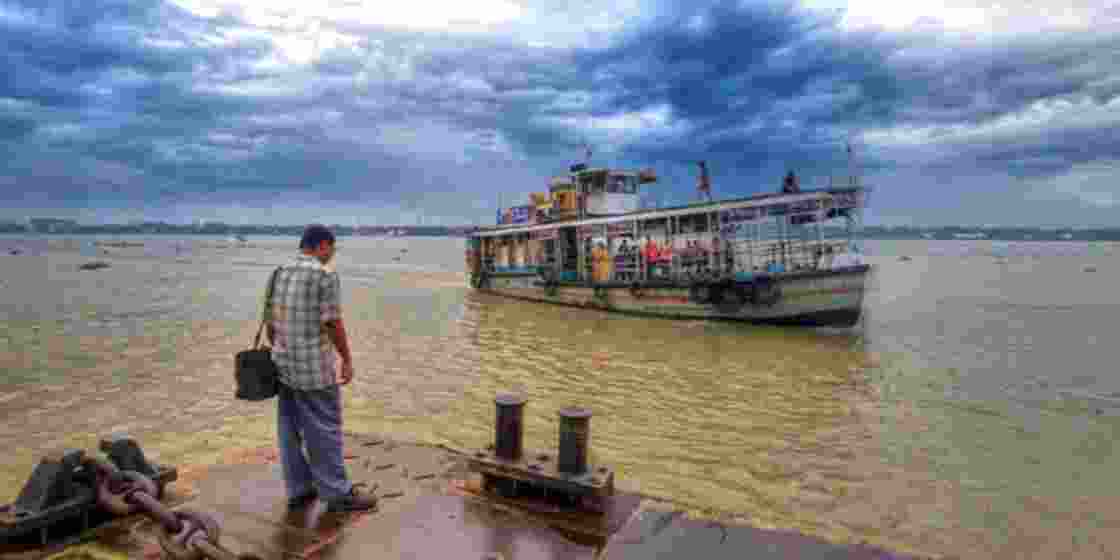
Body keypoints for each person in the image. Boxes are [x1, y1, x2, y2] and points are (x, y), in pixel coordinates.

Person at [266, 225, 378, 513]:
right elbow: (332, 322)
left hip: (282, 363)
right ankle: (338, 494)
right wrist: (347, 358)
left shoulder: (279, 271)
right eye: (332, 248)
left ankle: (299, 490)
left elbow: (270, 320)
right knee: (325, 429)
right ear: (322, 245)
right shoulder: (324, 274)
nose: (332, 254)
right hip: (314, 368)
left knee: (289, 429)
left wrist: (280, 350)